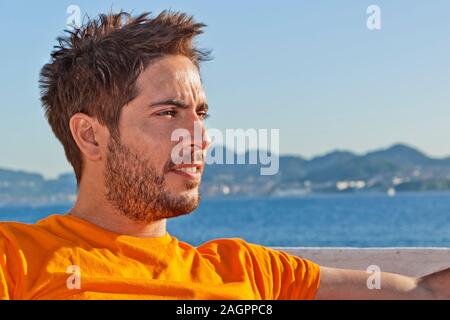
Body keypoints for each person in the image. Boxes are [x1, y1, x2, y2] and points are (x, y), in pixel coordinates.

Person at [0, 10, 448, 300]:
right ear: (90, 136)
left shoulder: (246, 270)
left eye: (201, 113)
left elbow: (420, 293)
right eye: (168, 112)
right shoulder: (16, 260)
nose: (200, 136)